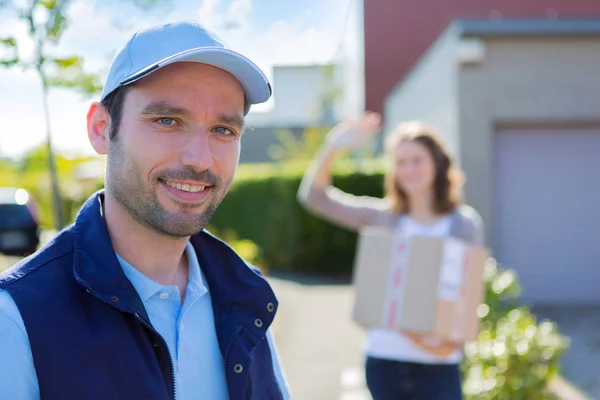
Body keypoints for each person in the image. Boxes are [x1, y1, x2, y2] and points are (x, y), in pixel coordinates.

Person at [0, 21, 290, 400]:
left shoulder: (244, 295)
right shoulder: (18, 316)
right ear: (102, 129)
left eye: (223, 130)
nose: (200, 160)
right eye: (167, 120)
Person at [297, 112, 484, 400]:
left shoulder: (463, 224)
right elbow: (314, 197)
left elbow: (469, 298)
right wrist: (332, 147)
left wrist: (443, 343)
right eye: (401, 162)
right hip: (385, 363)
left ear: (437, 162)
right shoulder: (381, 217)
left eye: (417, 160)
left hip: (440, 366)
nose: (409, 169)